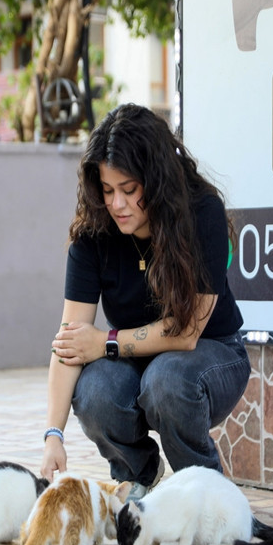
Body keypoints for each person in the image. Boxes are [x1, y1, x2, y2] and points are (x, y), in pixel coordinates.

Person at [40, 104, 250, 501]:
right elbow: (69, 343)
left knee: (166, 379)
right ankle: (138, 475)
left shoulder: (200, 212)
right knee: (95, 388)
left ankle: (203, 491)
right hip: (138, 360)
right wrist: (53, 435)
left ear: (155, 181)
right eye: (106, 190)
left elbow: (187, 333)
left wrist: (105, 343)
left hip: (213, 353)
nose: (116, 204)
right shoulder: (92, 236)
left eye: (129, 190)